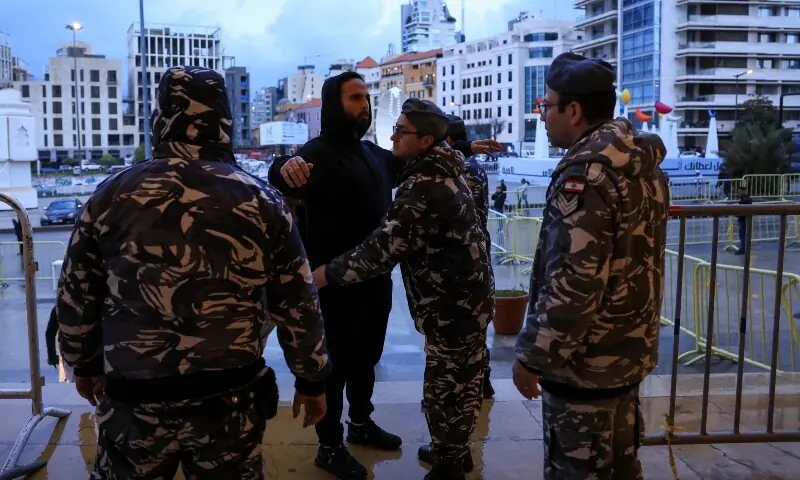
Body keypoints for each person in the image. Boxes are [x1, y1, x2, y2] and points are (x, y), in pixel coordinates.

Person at [56, 65, 331, 480]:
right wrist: (311, 379)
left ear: (160, 119)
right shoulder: (261, 200)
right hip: (230, 399)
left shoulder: (112, 195)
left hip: (134, 398)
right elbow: (298, 301)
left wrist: (83, 363)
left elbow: (77, 293)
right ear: (225, 121)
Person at [267, 71, 501, 479]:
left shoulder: (376, 156)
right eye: (355, 98)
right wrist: (280, 166)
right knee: (335, 366)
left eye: (366, 97)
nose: (365, 105)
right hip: (331, 283)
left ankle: (360, 423)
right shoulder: (312, 156)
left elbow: (421, 150)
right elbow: (279, 179)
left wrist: (462, 144)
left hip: (372, 281)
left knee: (366, 359)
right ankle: (329, 446)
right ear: (333, 104)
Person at [512, 52, 670, 480]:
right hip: (626, 355)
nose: (543, 116)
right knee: (621, 467)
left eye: (547, 105)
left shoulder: (585, 177)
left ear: (574, 111)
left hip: (585, 368)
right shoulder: (642, 164)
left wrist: (533, 354)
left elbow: (575, 282)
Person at [443, 114, 495, 400]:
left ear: (449, 141)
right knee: (478, 323)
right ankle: (483, 379)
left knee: (462, 327)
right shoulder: (477, 167)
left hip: (461, 259)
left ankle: (469, 386)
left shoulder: (459, 170)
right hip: (482, 252)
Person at [736, 185, 752, 255]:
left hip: (744, 219)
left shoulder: (745, 200)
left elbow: (742, 211)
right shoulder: (745, 199)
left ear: (744, 191)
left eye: (739, 192)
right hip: (744, 219)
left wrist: (737, 215)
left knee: (743, 235)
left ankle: (743, 249)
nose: (738, 193)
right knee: (743, 234)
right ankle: (743, 248)